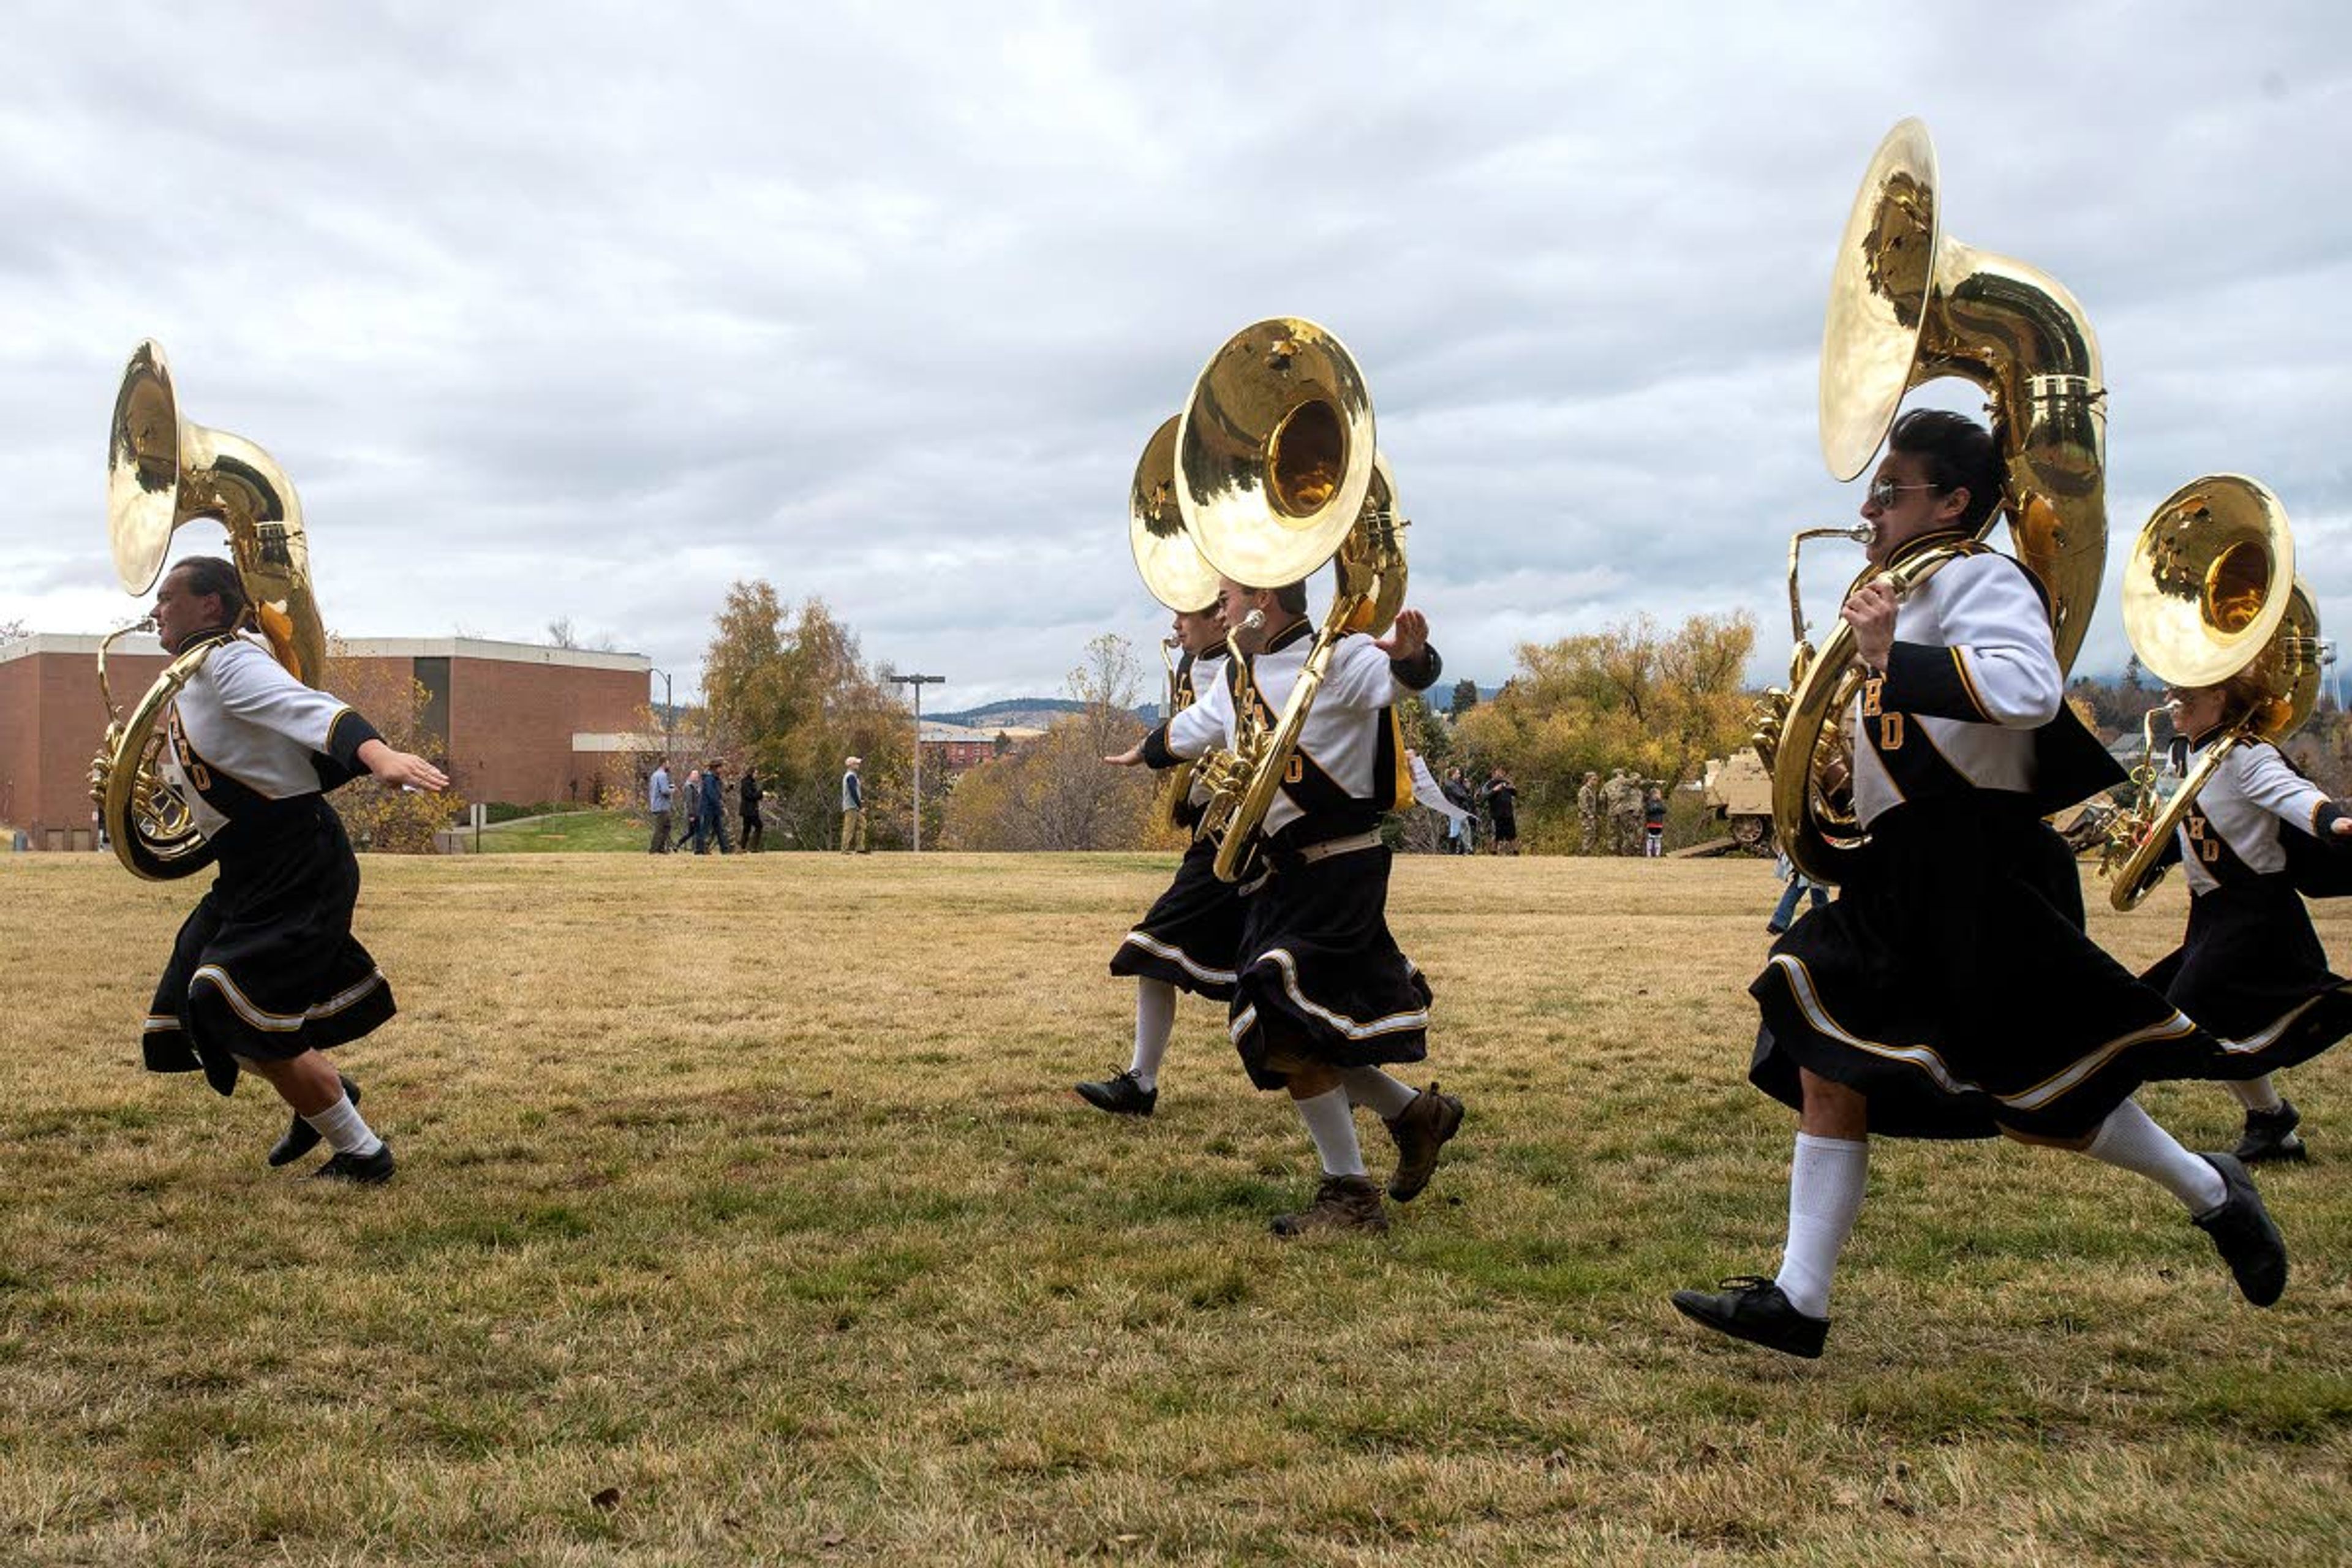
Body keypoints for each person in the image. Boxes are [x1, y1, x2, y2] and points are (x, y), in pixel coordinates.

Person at [1672, 409, 2288, 1359]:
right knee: (1823, 1047)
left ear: (1954, 502)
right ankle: (1800, 1299)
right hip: (1902, 869)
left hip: (1980, 866)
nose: (1871, 508)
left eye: (1893, 490)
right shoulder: (1898, 591)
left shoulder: (1981, 576)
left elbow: (2028, 690)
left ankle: (2212, 1189)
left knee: (2045, 1102)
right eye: (1874, 491)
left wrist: (1889, 660)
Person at [1109, 577, 1463, 1236]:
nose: (1221, 609)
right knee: (1292, 1028)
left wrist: (1415, 655)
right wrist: (1146, 750)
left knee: (1278, 1011)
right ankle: (1414, 1117)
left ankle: (1351, 1194)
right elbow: (1200, 724)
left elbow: (1399, 679)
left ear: (1263, 602)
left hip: (1340, 869)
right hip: (1285, 874)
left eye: (1229, 597)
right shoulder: (1242, 669)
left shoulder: (1340, 654)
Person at [131, 556, 448, 1183]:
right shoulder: (191, 677)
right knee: (189, 1012)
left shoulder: (228, 660)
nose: (155, 609)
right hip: (247, 869)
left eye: (169, 597)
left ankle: (362, 1152)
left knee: (224, 1000)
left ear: (211, 607)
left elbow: (309, 707)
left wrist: (378, 753)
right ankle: (321, 1093)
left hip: (298, 861)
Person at [2139, 677, 2352, 1163]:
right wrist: (2156, 850)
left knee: (2185, 1017)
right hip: (2212, 913)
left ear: (2223, 698)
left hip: (2256, 913)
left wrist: (2330, 821)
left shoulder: (2246, 755)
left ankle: (2269, 1120)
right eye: (2174, 693)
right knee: (2218, 1024)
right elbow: (2200, 826)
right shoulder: (2189, 754)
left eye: (2189, 695)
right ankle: (2272, 1123)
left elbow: (2292, 794)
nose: (2175, 703)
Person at [1080, 603, 1240, 1116]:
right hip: (1215, 832)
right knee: (1158, 950)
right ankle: (1141, 1082)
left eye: (1185, 615)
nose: (1175, 626)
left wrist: (1151, 749)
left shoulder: (1238, 664)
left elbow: (1208, 726)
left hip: (1240, 837)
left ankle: (1361, 1088)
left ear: (1220, 617)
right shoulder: (1208, 662)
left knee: (1157, 944)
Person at [1766, 843, 1829, 935]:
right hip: (1809, 850)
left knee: (1816, 887)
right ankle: (1778, 923)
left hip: (1805, 850)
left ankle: (1823, 924)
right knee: (1806, 885)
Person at [1482, 766, 1520, 855]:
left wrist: (1513, 788)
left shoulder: (1507, 783)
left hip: (1508, 812)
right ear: (1493, 773)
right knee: (1497, 835)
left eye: (1502, 772)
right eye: (1498, 772)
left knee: (1512, 834)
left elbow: (1516, 794)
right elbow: (1484, 797)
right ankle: (1494, 851)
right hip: (1496, 813)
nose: (1500, 774)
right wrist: (1495, 790)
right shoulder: (1488, 784)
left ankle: (1515, 851)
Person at [698, 759, 731, 854]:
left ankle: (725, 849)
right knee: (705, 830)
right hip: (708, 808)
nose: (723, 769)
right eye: (722, 767)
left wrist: (728, 789)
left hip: (714, 809)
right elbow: (712, 795)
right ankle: (700, 850)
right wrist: (721, 807)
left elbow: (719, 793)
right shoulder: (709, 779)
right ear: (716, 768)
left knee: (719, 829)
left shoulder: (716, 779)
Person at [840, 756, 867, 853]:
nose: (858, 765)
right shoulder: (851, 776)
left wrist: (860, 803)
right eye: (856, 763)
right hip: (852, 806)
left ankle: (860, 848)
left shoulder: (852, 776)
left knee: (862, 825)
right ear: (851, 765)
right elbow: (853, 792)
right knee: (849, 828)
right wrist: (860, 806)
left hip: (855, 805)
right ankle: (844, 849)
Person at [647, 759, 674, 854]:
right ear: (664, 764)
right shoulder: (663, 775)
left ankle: (661, 848)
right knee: (660, 828)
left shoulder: (654, 775)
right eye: (668, 763)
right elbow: (664, 791)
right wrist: (672, 789)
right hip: (662, 806)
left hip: (656, 804)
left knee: (667, 826)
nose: (669, 765)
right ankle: (654, 849)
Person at [679, 766, 705, 854]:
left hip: (698, 812)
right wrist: (691, 815)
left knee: (692, 832)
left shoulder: (696, 786)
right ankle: (699, 850)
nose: (696, 777)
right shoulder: (689, 787)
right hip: (693, 813)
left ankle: (678, 845)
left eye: (697, 776)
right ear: (690, 776)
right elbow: (689, 802)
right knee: (699, 831)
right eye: (694, 775)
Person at [739, 764, 764, 853]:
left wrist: (760, 795)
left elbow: (754, 796)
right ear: (752, 773)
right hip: (749, 810)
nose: (757, 775)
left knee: (747, 828)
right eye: (756, 773)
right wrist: (760, 793)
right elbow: (749, 796)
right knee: (759, 826)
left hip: (749, 809)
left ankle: (743, 847)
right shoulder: (746, 782)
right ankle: (753, 847)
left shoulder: (751, 782)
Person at [1577, 770, 1603, 854]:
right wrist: (1589, 814)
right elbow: (1583, 804)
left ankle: (1588, 852)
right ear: (1589, 779)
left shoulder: (1592, 790)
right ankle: (1584, 852)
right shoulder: (1584, 790)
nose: (1596, 781)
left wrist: (1595, 815)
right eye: (1594, 779)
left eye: (1596, 779)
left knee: (1592, 834)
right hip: (1586, 816)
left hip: (1591, 816)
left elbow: (1592, 805)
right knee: (1588, 834)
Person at [1642, 785, 1667, 858]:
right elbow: (1649, 811)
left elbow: (1664, 810)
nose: (1660, 796)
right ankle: (1649, 854)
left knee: (1658, 840)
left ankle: (1657, 854)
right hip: (1651, 824)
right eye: (1658, 794)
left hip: (1659, 824)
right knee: (1650, 839)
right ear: (1654, 795)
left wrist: (1658, 807)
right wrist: (1656, 809)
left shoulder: (1661, 803)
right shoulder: (1649, 803)